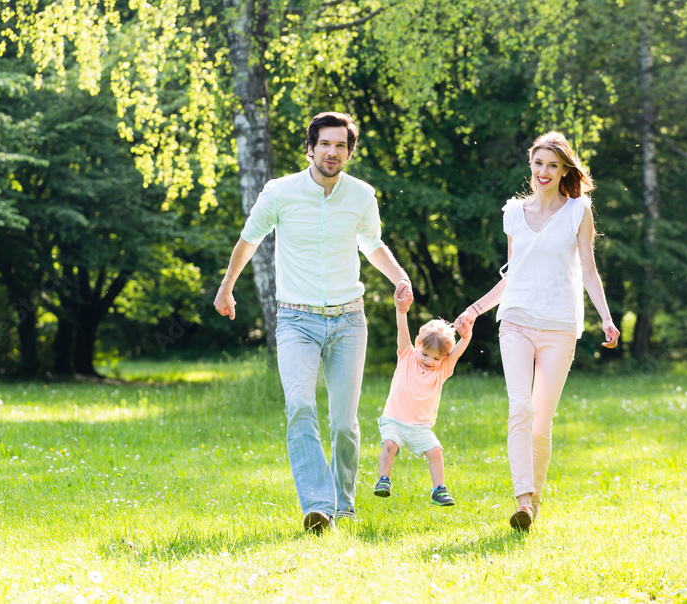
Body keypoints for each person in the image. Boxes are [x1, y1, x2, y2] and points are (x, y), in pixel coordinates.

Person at [213, 112, 413, 534]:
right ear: (310, 147)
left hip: (348, 320)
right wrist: (226, 286)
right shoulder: (280, 192)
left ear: (349, 152)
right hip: (295, 320)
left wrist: (400, 277)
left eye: (341, 146)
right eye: (325, 144)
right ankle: (317, 506)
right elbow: (250, 238)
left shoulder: (361, 196)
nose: (332, 152)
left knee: (344, 422)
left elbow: (372, 243)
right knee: (300, 406)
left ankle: (344, 506)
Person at [454, 131, 620, 531]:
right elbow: (513, 274)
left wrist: (607, 317)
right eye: (538, 163)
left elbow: (588, 269)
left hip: (560, 325)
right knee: (519, 409)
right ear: (530, 163)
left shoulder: (579, 210)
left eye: (553, 165)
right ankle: (523, 502)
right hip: (516, 320)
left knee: (541, 421)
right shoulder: (513, 212)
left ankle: (535, 503)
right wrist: (475, 310)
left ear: (565, 170)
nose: (544, 172)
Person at [372, 288, 472, 506]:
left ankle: (439, 489)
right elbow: (402, 329)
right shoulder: (407, 356)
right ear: (418, 345)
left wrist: (466, 337)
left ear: (443, 358)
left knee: (436, 451)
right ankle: (384, 480)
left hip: (420, 427)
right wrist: (401, 310)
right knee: (389, 444)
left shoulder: (442, 371)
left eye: (436, 358)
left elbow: (457, 353)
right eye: (425, 354)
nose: (429, 360)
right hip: (394, 421)